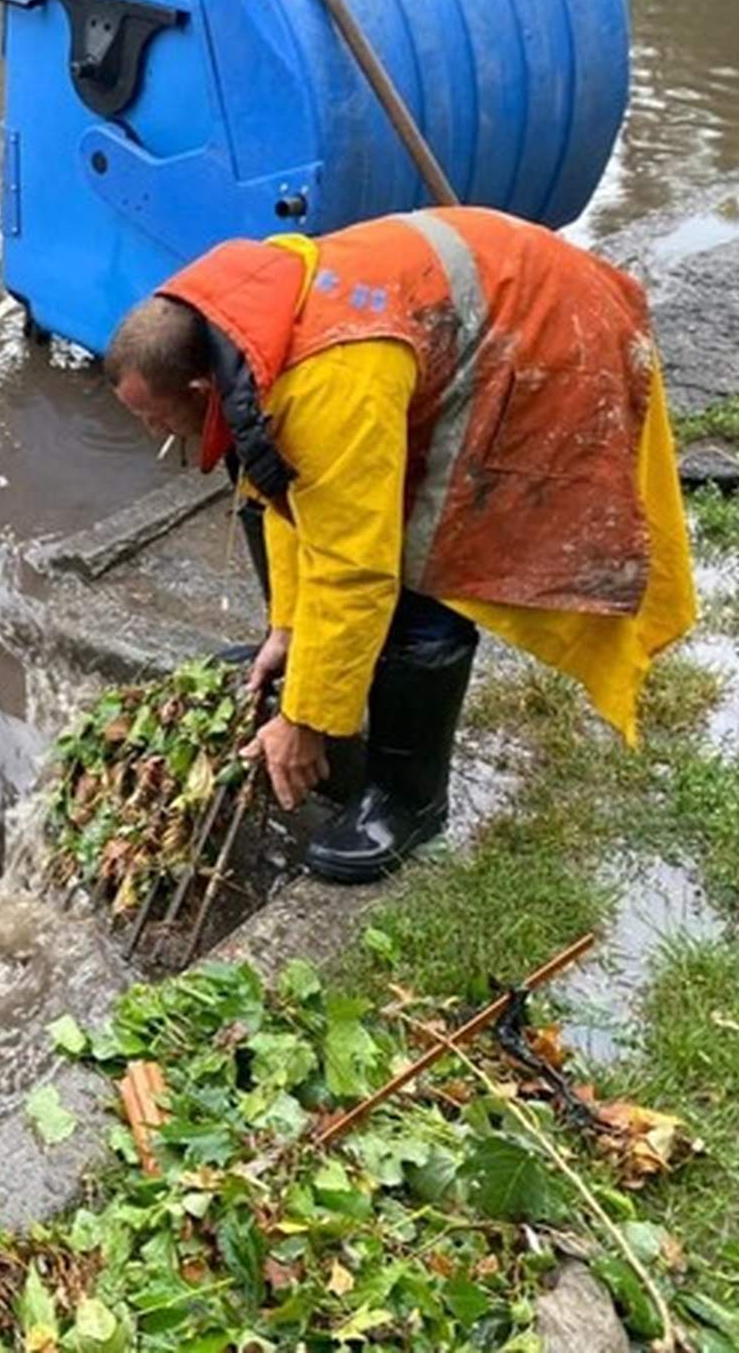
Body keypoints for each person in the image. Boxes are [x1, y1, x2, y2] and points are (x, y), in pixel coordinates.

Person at [104, 206, 697, 884]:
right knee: (287, 502)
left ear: (199, 387)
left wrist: (305, 719)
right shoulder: (242, 328)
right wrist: (288, 629)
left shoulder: (328, 379)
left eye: (156, 418)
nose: (158, 433)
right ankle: (342, 692)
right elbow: (289, 490)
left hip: (550, 339)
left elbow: (355, 567)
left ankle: (410, 801)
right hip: (450, 320)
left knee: (425, 557)